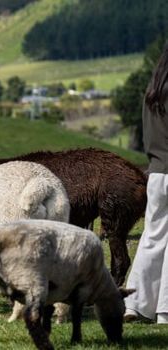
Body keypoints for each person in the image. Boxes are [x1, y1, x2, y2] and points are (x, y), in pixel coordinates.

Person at [124, 42, 168, 324]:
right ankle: (165, 310)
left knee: (152, 238)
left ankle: (134, 304)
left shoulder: (152, 94)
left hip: (156, 173)